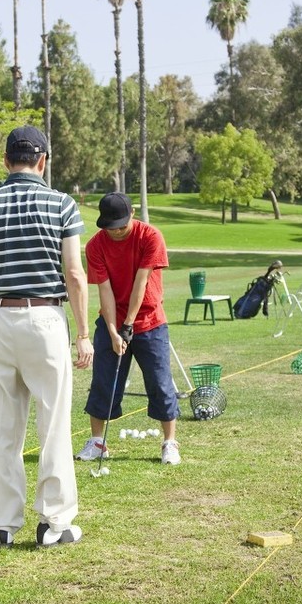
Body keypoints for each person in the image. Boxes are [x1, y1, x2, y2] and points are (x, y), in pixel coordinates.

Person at [0, 126, 93, 549]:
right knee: (52, 424)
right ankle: (55, 524)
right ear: (43, 161)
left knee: (0, 428)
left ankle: (1, 525)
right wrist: (84, 333)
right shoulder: (62, 204)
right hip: (45, 318)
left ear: (5, 161)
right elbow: (73, 273)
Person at [76, 192, 181, 466]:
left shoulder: (150, 236)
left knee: (159, 382)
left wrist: (128, 325)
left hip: (150, 322)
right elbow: (105, 291)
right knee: (103, 381)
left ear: (132, 214)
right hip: (112, 320)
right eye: (111, 227)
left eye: (121, 225)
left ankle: (169, 442)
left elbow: (141, 283)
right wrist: (113, 330)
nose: (117, 231)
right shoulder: (96, 245)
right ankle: (97, 442)